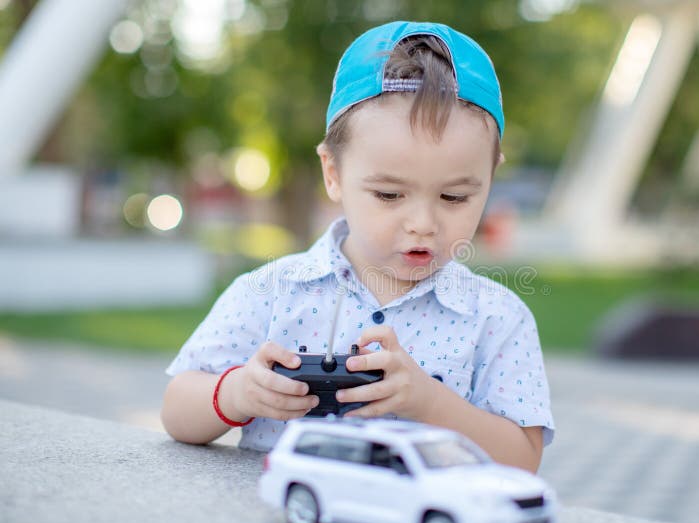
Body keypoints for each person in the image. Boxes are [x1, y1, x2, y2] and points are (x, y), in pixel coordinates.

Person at [161, 21, 554, 473]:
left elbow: (523, 460)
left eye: (454, 197)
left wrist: (430, 402)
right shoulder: (270, 293)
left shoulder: (496, 320)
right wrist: (236, 393)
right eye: (389, 195)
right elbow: (176, 411)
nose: (423, 224)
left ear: (490, 177)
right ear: (333, 173)